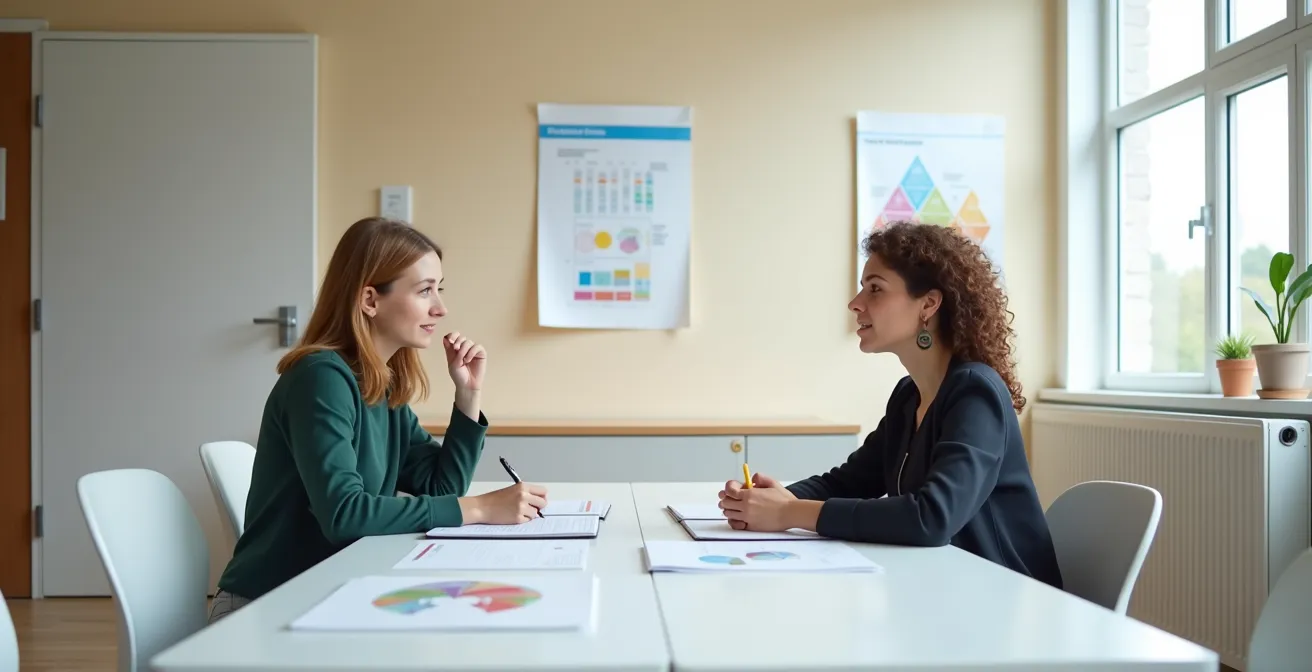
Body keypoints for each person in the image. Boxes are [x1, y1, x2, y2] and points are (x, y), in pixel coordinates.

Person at [209, 217, 547, 623]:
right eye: (425, 291)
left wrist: (468, 395)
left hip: (326, 594)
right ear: (370, 300)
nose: (441, 308)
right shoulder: (321, 378)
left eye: (439, 289)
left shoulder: (379, 383)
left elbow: (441, 486)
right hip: (267, 610)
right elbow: (345, 516)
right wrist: (477, 509)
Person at [718, 221, 1063, 589]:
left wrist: (789, 513)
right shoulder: (907, 396)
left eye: (875, 289)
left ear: (928, 304)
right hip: (947, 591)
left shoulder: (975, 392)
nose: (855, 303)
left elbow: (932, 517)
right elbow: (851, 481)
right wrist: (777, 499)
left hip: (1008, 601)